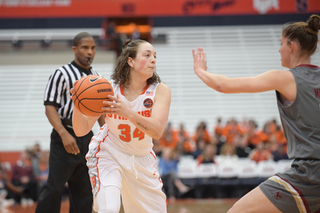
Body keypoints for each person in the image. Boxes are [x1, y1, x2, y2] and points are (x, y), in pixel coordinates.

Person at [193, 14, 320, 213]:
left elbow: (223, 85)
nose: (279, 49)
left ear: (292, 46)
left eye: (281, 44)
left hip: (308, 173)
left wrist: (201, 71)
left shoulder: (285, 78)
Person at [72, 39, 171, 213]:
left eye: (155, 56)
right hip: (108, 153)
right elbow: (81, 130)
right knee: (110, 209)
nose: (153, 60)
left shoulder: (160, 90)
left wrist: (129, 112)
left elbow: (157, 131)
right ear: (130, 61)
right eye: (147, 55)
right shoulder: (108, 90)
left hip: (141, 159)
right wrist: (77, 105)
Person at [36, 32, 105, 213]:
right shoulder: (61, 73)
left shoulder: (97, 76)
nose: (89, 52)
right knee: (54, 188)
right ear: (75, 50)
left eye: (93, 48)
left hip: (87, 137)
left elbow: (99, 111)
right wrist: (64, 134)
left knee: (84, 192)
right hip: (65, 134)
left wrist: (108, 134)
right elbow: (49, 107)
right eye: (85, 48)